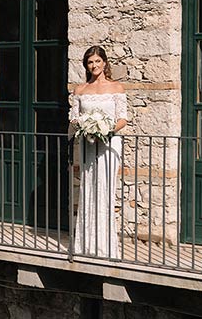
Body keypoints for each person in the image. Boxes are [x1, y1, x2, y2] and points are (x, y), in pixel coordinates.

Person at [69, 45, 127, 259]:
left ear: (104, 63)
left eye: (97, 61)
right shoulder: (80, 90)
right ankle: (86, 245)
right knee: (88, 190)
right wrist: (86, 126)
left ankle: (106, 247)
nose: (94, 65)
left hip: (109, 144)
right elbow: (74, 119)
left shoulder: (117, 88)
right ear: (87, 65)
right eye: (90, 62)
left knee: (105, 190)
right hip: (87, 144)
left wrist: (106, 128)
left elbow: (123, 118)